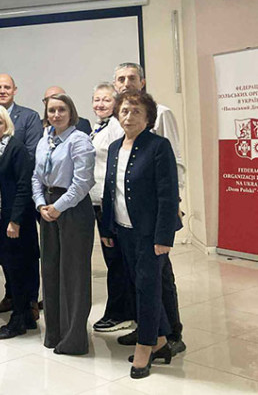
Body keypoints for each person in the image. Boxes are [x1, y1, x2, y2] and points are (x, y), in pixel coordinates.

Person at [101, 90, 178, 379]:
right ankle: (160, 341)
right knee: (139, 285)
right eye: (124, 111)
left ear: (148, 118)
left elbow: (168, 195)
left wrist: (163, 237)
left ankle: (145, 347)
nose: (129, 116)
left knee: (147, 289)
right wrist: (107, 227)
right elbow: (110, 190)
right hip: (123, 231)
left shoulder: (158, 146)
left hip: (150, 234)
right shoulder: (114, 148)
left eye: (136, 111)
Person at [113, 62, 186, 355]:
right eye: (121, 79)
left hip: (153, 217)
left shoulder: (160, 114)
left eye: (132, 78)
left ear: (142, 81)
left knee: (158, 280)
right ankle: (150, 329)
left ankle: (171, 334)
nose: (126, 82)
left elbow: (174, 164)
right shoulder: (115, 123)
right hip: (124, 217)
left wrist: (174, 209)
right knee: (139, 280)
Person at [32, 93, 96, 355]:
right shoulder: (44, 140)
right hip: (47, 209)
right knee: (50, 270)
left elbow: (83, 182)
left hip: (72, 209)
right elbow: (36, 176)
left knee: (73, 274)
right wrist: (40, 204)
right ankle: (54, 333)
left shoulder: (79, 140)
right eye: (51, 110)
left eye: (61, 110)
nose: (56, 115)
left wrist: (58, 207)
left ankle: (74, 339)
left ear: (71, 113)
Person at [0, 74, 43, 316]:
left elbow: (32, 154)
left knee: (25, 256)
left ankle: (30, 302)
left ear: (15, 89)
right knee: (8, 257)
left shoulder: (29, 117)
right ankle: (12, 297)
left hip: (19, 199)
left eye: (7, 87)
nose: (2, 90)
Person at [89, 84, 135, 333]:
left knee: (117, 261)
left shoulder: (116, 126)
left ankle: (120, 313)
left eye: (106, 100)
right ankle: (123, 310)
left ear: (115, 103)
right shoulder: (98, 127)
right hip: (98, 202)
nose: (100, 104)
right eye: (97, 99)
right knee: (113, 260)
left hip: (111, 203)